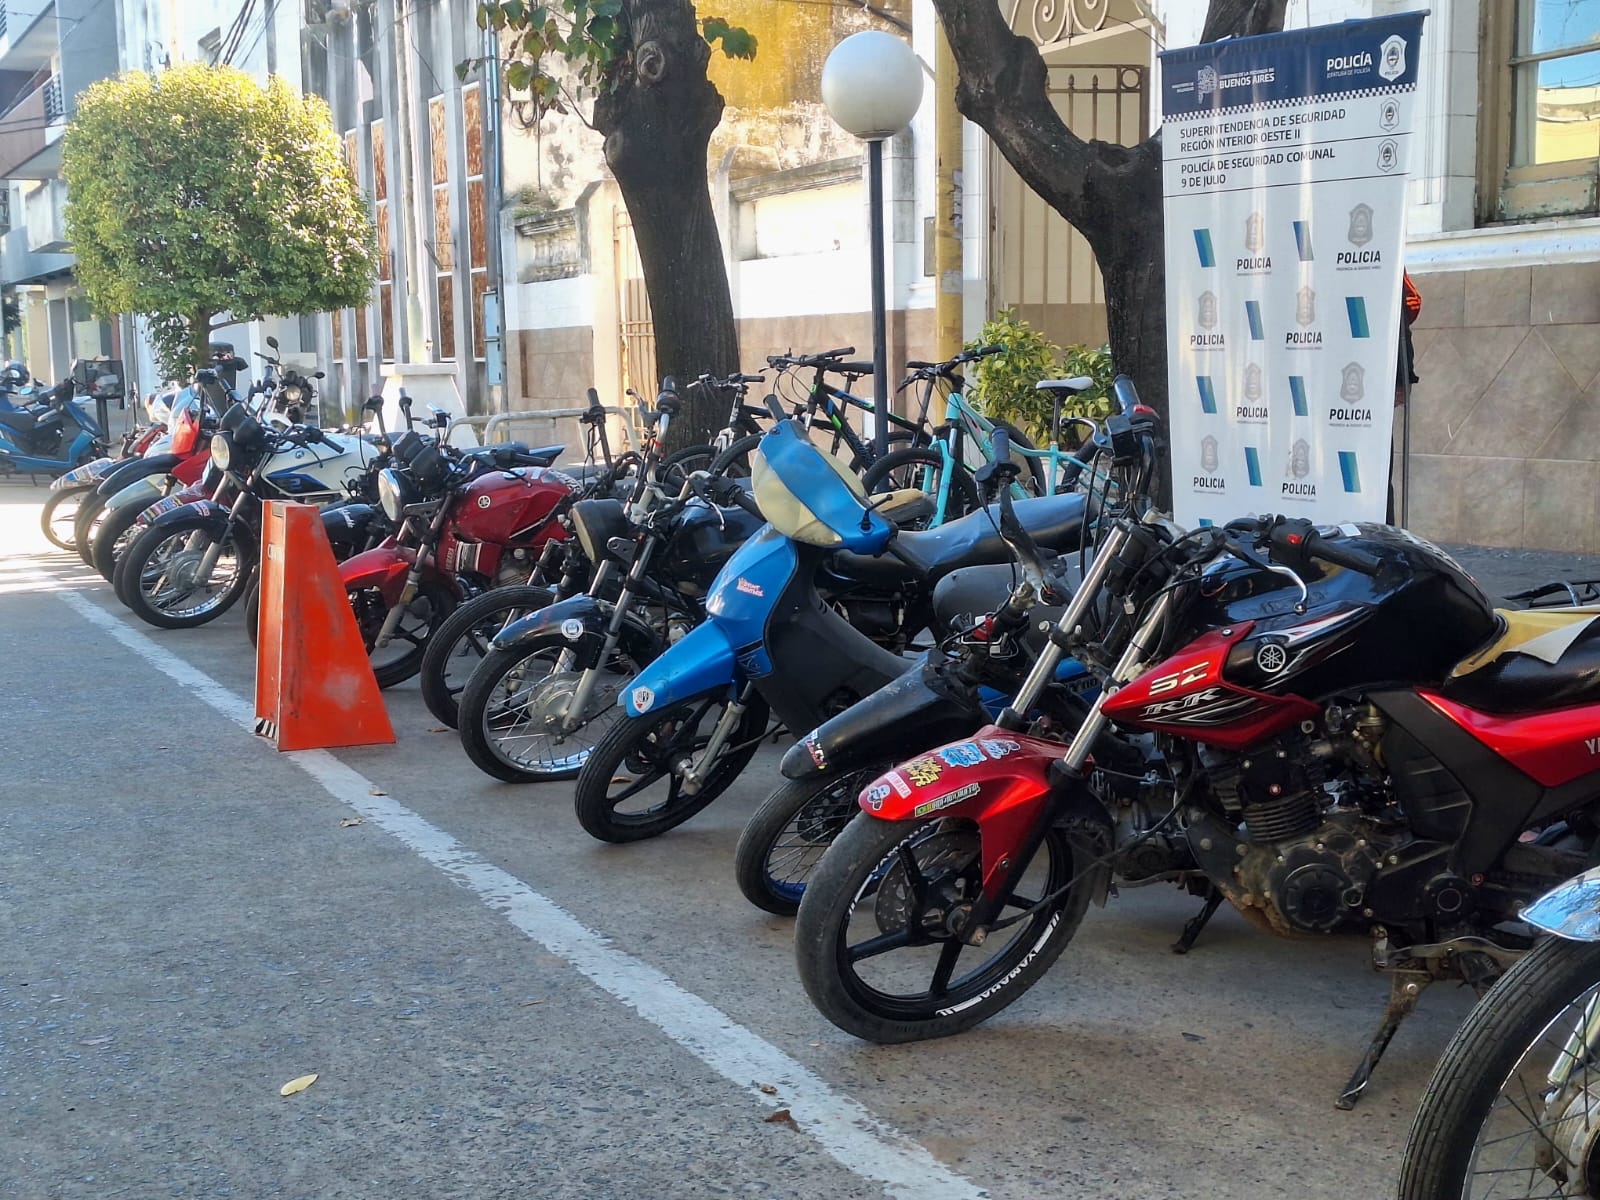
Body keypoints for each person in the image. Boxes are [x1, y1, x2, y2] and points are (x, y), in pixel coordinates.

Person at [1388, 272, 1421, 523]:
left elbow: (1407, 306)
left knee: (1375, 474)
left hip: (1376, 383)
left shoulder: (1388, 252)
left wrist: (1402, 376)